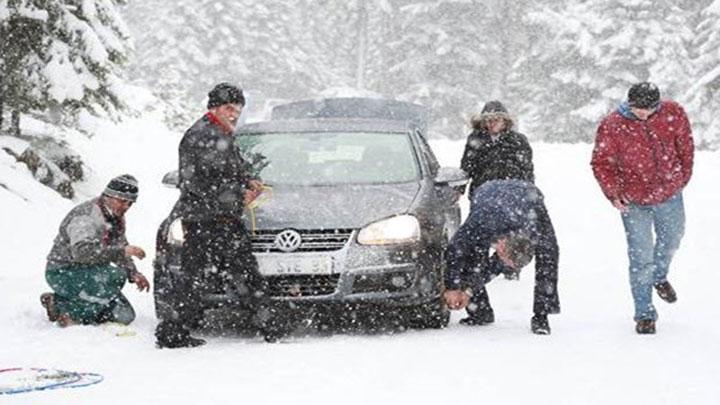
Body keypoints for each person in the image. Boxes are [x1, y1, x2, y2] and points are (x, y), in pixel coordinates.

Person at [154, 82, 273, 349]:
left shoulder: (221, 132)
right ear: (214, 108)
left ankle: (267, 324)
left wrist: (248, 179)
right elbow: (200, 182)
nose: (233, 114)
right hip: (205, 219)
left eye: (237, 110)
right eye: (229, 108)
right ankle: (173, 333)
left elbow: (231, 167)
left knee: (234, 273)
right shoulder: (201, 135)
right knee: (202, 278)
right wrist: (238, 195)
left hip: (220, 218)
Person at [591, 82, 694, 334]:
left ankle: (659, 276)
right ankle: (644, 313)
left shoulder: (674, 113)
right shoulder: (612, 124)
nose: (644, 114)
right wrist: (614, 193)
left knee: (672, 239)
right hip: (633, 200)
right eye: (638, 110)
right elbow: (601, 162)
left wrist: (682, 177)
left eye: (649, 109)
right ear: (629, 103)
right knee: (640, 257)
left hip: (669, 193)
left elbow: (686, 146)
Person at [443, 179, 559, 335]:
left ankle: (540, 316)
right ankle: (480, 311)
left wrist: (468, 290)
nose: (501, 268)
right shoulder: (481, 221)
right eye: (504, 263)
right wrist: (453, 287)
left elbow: (546, 267)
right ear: (501, 247)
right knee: (473, 255)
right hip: (488, 193)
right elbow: (455, 248)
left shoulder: (537, 229)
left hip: (529, 197)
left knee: (548, 259)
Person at [41, 174, 150, 327]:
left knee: (125, 316)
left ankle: (58, 302)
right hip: (63, 272)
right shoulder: (85, 216)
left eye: (130, 203)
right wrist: (123, 251)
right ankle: (71, 314)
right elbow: (82, 253)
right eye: (122, 201)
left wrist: (133, 273)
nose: (126, 207)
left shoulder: (115, 218)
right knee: (115, 275)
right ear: (109, 196)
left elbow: (120, 247)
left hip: (92, 272)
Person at [460, 100, 534, 206]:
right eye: (487, 120)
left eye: (496, 120)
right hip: (482, 195)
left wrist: (529, 192)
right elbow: (467, 166)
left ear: (505, 121)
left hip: (511, 196)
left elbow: (526, 169)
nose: (491, 124)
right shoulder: (475, 139)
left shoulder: (518, 141)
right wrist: (459, 189)